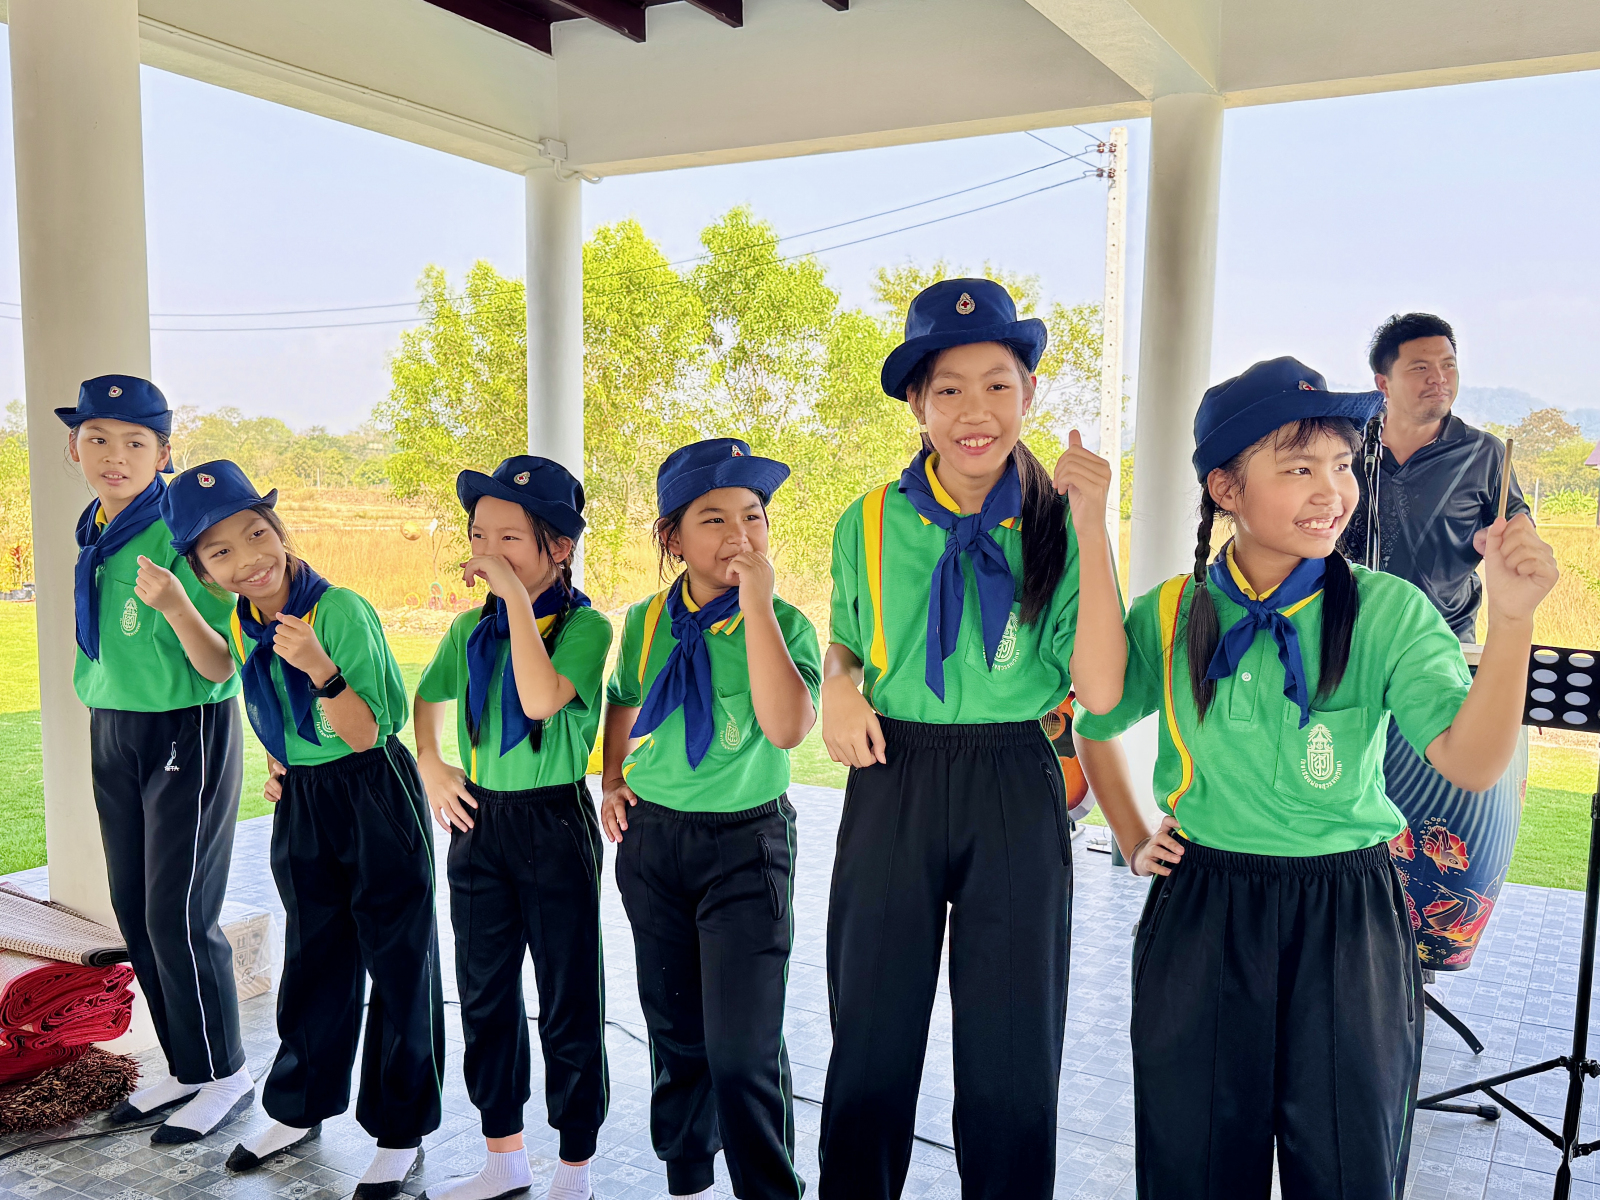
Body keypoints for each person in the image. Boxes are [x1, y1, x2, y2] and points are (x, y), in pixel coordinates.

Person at [1071, 357, 1558, 1199]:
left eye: (1341, 464)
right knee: (1192, 1163)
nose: (1330, 491)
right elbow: (1098, 715)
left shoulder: (1388, 611)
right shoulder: (1176, 610)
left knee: (1346, 1167)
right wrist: (1133, 834)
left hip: (1348, 917)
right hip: (1205, 910)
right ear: (1226, 487)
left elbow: (1471, 761)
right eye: (1298, 468)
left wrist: (1512, 622)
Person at [817, 278, 1128, 1199]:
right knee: (870, 1037)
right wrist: (836, 686)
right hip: (894, 774)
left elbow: (1100, 687)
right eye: (948, 389)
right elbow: (846, 639)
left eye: (998, 384)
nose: (974, 411)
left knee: (1012, 1048)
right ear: (918, 405)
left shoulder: (1059, 524)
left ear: (1030, 395)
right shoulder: (867, 520)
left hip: (1013, 778)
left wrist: (1094, 529)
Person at [154, 461, 445, 1200]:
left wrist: (321, 669)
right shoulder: (243, 618)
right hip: (305, 799)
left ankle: (400, 1132)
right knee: (315, 956)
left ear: (279, 530)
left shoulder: (337, 610)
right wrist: (283, 761)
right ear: (204, 571)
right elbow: (252, 692)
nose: (249, 558)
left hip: (373, 788)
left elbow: (366, 730)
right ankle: (298, 1108)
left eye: (258, 533)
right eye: (221, 551)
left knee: (399, 961)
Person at [600, 438, 820, 1200]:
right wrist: (613, 778)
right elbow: (622, 700)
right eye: (714, 518)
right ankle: (688, 1178)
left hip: (746, 846)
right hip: (654, 844)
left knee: (742, 1049)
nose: (739, 535)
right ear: (672, 537)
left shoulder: (784, 624)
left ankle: (769, 1189)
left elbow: (788, 727)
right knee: (675, 1032)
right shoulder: (644, 622)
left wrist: (756, 607)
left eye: (753, 516)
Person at [57, 376, 253, 1144]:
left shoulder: (183, 526)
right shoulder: (97, 527)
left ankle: (226, 1074)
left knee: (180, 913)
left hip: (185, 727)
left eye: (135, 442)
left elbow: (221, 664)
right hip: (114, 723)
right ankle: (184, 1064)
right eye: (98, 438)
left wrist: (174, 604)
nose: (115, 455)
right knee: (137, 908)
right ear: (74, 447)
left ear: (164, 452)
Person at [413, 457, 612, 1200]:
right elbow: (427, 697)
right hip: (480, 825)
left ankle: (575, 1166)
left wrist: (516, 605)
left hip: (553, 821)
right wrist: (431, 763)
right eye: (478, 536)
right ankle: (503, 1157)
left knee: (568, 998)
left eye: (508, 538)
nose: (487, 552)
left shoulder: (586, 627)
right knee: (485, 994)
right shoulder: (469, 630)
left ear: (558, 547)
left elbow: (537, 699)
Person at [1340, 312, 1529, 640]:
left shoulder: (1484, 453)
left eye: (1448, 365)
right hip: (1348, 635)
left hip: (1444, 640)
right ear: (1383, 383)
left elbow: (1518, 525)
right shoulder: (1345, 448)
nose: (1439, 378)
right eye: (1420, 368)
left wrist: (1508, 539)